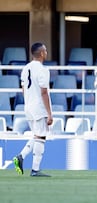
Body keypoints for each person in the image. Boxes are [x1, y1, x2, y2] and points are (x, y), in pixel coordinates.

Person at [13, 42, 53, 177]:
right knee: (41, 137)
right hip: (39, 107)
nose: (46, 53)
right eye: (45, 51)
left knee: (37, 135)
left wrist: (29, 102)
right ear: (41, 53)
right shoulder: (43, 70)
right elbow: (44, 93)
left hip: (28, 106)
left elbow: (23, 88)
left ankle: (21, 157)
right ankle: (34, 169)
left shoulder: (26, 68)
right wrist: (49, 113)